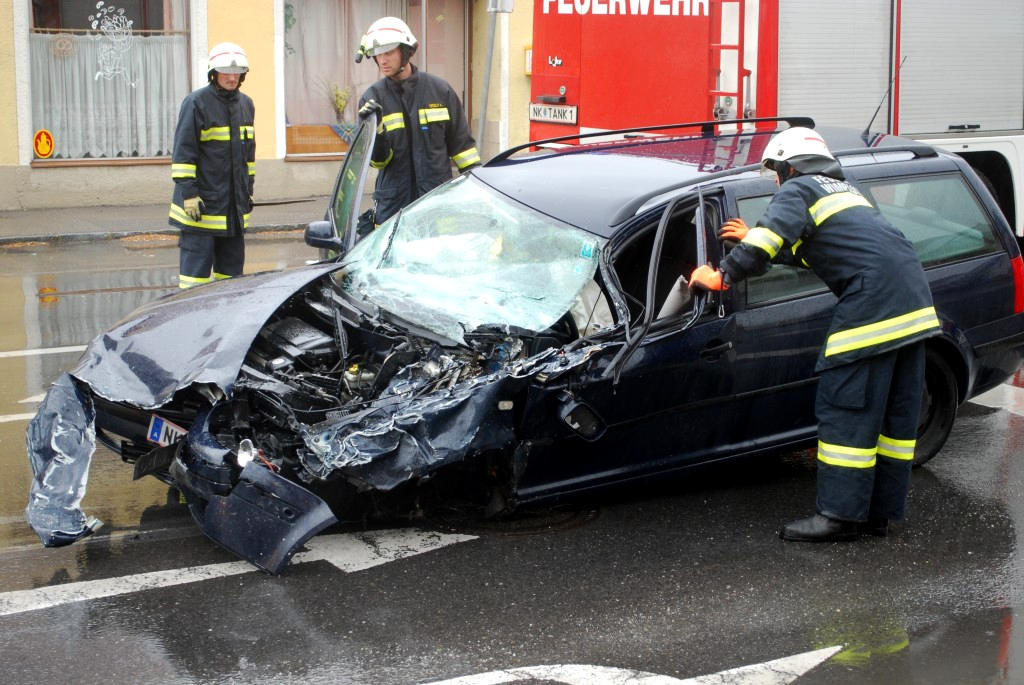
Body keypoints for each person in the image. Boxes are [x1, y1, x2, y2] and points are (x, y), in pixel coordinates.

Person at [688, 127, 941, 542]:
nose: (776, 181)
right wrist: (754, 239)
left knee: (846, 409)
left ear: (789, 166)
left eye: (776, 172)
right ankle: (877, 514)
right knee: (892, 418)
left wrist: (721, 276)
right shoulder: (845, 190)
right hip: (914, 308)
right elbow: (818, 250)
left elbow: (769, 240)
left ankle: (839, 517)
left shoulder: (799, 188)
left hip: (872, 306)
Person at [354, 16, 480, 226]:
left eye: (388, 52)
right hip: (394, 208)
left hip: (437, 201)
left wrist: (479, 189)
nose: (382, 60)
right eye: (378, 54)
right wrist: (376, 132)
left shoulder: (440, 91)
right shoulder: (372, 99)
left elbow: (463, 149)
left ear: (406, 52)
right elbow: (379, 162)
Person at [168, 42, 255, 289]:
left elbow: (248, 157)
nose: (231, 77)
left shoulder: (246, 104)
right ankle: (191, 313)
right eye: (225, 71)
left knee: (231, 281)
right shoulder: (196, 103)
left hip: (233, 213)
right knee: (194, 282)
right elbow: (184, 153)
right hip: (200, 210)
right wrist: (189, 194)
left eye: (236, 72)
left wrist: (247, 192)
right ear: (213, 73)